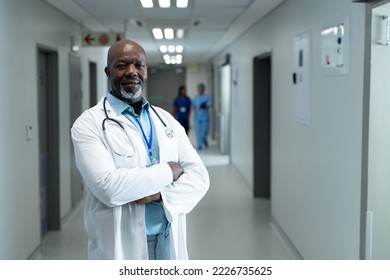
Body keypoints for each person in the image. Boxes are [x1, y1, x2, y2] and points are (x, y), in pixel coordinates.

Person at [71, 39, 209, 260]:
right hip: (120, 245)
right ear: (107, 71)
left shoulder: (166, 121)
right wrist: (169, 172)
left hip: (168, 237)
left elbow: (200, 178)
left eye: (138, 65)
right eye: (122, 65)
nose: (131, 71)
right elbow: (108, 187)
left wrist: (159, 194)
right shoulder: (88, 124)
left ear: (145, 71)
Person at [192, 83, 212, 150]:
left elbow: (209, 105)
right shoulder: (196, 97)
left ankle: (204, 140)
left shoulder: (207, 97)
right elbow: (193, 106)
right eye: (198, 89)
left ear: (203, 89)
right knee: (198, 131)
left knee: (205, 131)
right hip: (197, 117)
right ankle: (199, 144)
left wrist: (204, 106)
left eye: (200, 88)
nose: (198, 90)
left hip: (205, 117)